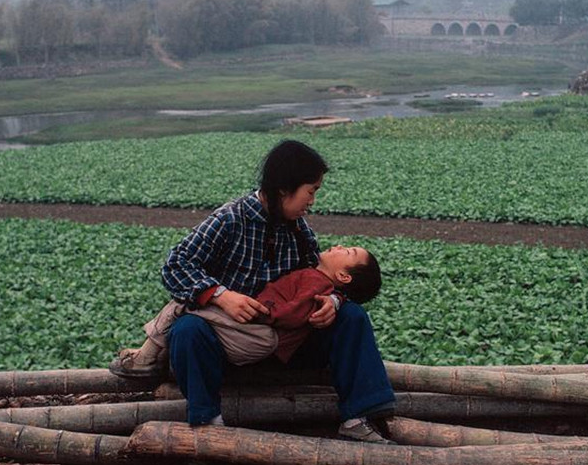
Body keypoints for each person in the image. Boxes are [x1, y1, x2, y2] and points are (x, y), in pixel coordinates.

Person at [116, 139, 396, 443]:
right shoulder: (230, 219)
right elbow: (175, 267)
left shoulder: (300, 230)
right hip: (230, 345)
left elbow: (325, 277)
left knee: (351, 316)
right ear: (284, 188)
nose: (312, 201)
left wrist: (334, 300)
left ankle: (359, 417)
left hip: (284, 345)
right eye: (311, 191)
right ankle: (208, 423)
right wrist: (222, 296)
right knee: (188, 329)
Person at [112, 244, 382, 374]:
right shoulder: (316, 273)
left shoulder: (317, 281)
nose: (338, 246)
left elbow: (293, 312)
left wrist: (264, 311)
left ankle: (147, 356)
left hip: (261, 331)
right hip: (259, 331)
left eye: (347, 252)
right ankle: (152, 355)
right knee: (190, 311)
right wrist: (337, 298)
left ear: (344, 276)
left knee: (186, 304)